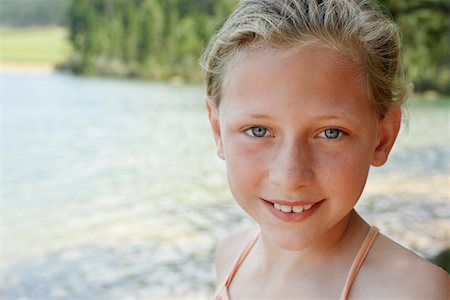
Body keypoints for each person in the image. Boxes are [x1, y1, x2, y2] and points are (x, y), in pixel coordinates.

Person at [199, 0, 450, 299]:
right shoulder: (230, 255)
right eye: (258, 131)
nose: (290, 176)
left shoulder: (412, 291)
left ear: (383, 138)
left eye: (331, 133)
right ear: (218, 130)